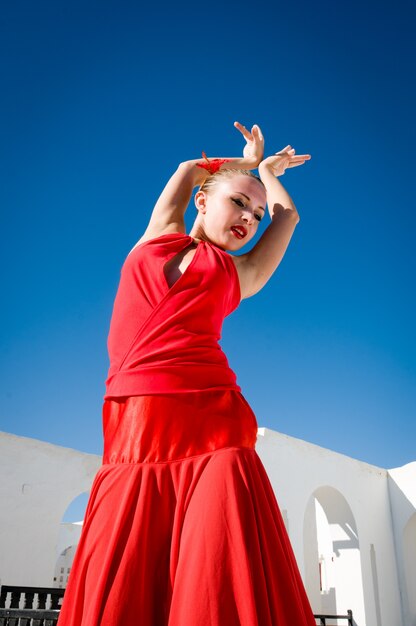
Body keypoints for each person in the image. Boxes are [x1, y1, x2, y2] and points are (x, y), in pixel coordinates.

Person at [57, 121, 314, 626]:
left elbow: (289, 216)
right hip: (135, 437)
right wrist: (245, 162)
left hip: (214, 428)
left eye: (256, 214)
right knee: (126, 583)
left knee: (214, 576)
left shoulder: (240, 274)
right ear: (201, 201)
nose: (250, 217)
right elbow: (188, 168)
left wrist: (266, 173)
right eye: (239, 202)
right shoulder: (155, 239)